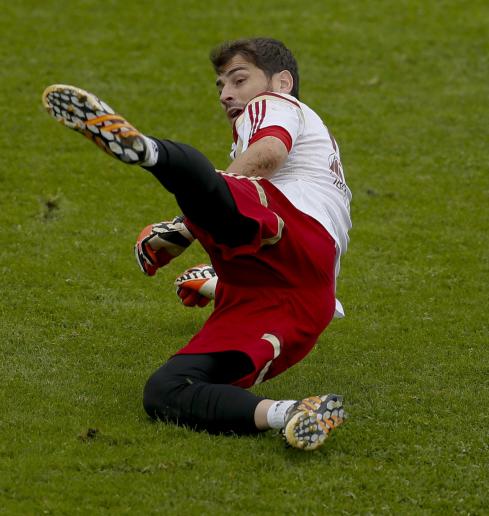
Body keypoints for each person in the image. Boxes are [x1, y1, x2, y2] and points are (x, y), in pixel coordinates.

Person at [41, 37, 351, 451]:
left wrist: (184, 227)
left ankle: (149, 152)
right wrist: (215, 283)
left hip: (295, 235)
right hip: (301, 296)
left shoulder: (274, 105)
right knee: (166, 390)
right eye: (220, 86)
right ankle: (293, 412)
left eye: (238, 79)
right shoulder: (312, 147)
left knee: (213, 185)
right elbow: (291, 267)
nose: (226, 94)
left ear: (281, 81)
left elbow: (269, 153)